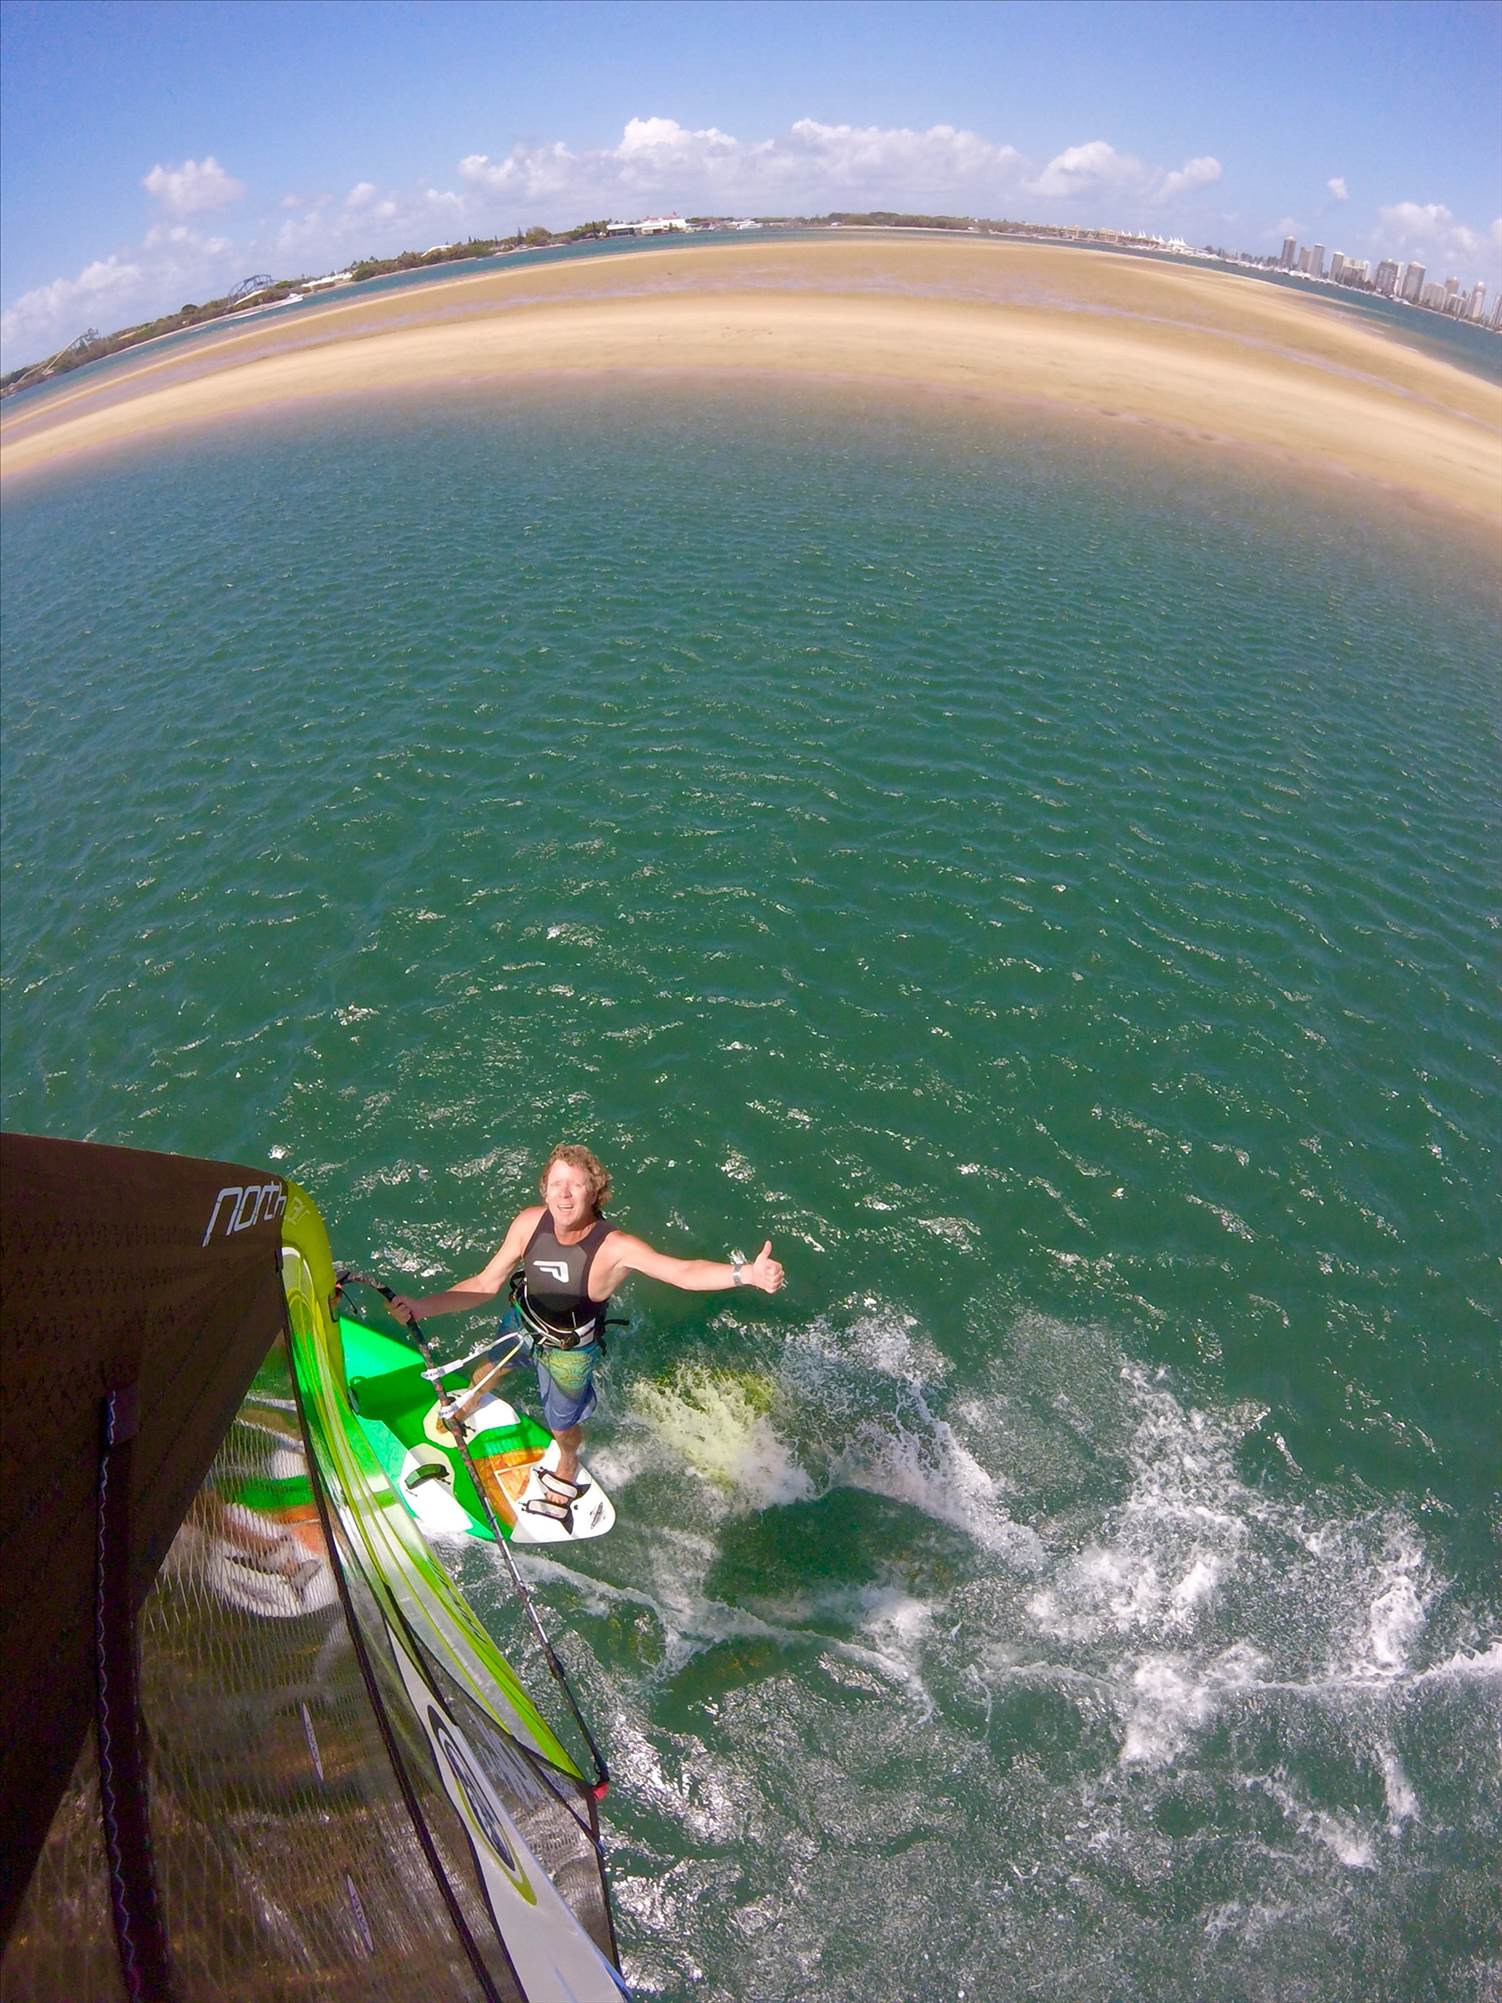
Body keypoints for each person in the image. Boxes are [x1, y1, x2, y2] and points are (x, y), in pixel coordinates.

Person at [388, 1143, 784, 1523]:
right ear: (544, 1190)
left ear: (594, 1193)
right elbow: (485, 1283)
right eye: (556, 1184)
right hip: (521, 1322)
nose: (564, 1194)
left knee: (561, 1425)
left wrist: (747, 1274)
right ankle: (473, 1399)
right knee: (490, 1369)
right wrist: (422, 1307)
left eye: (575, 1184)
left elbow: (682, 1272)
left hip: (568, 1353)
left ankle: (568, 1460)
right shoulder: (529, 1224)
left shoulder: (614, 1247)